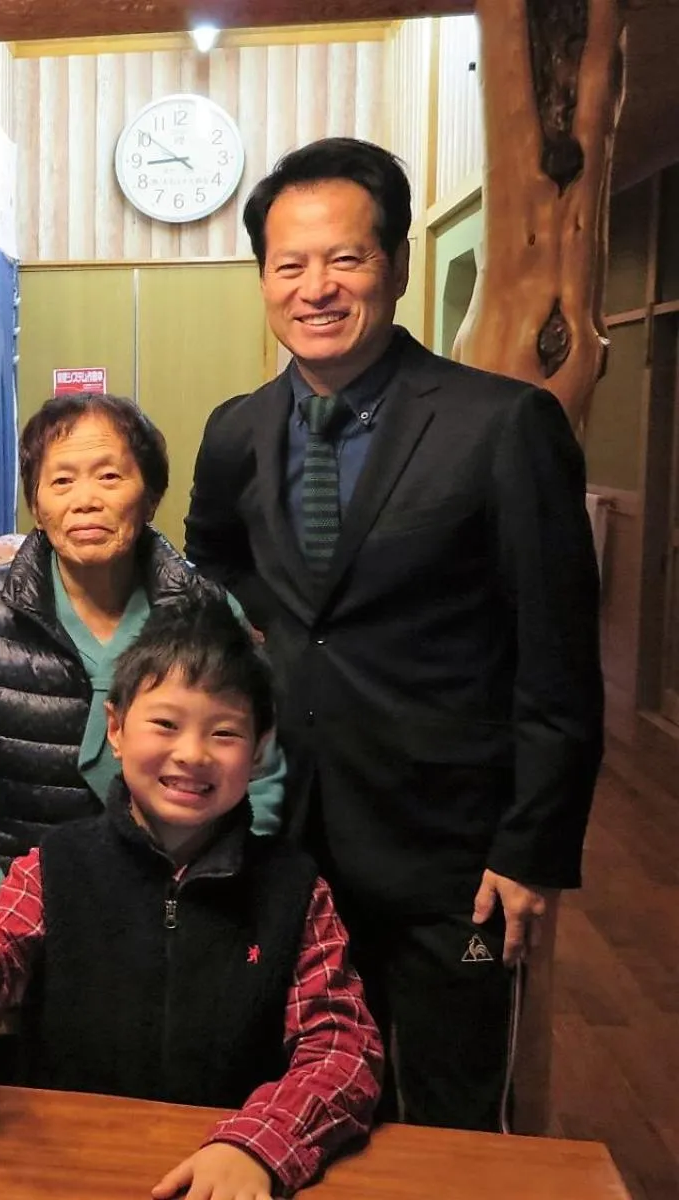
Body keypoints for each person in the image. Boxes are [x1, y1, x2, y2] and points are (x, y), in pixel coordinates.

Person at [184, 137, 603, 1131]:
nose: (315, 288)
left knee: (449, 1110)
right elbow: (215, 567)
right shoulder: (236, 430)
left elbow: (557, 655)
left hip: (448, 850)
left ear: (398, 265)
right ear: (262, 279)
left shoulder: (501, 425)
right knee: (289, 1086)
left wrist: (532, 847)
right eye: (288, 265)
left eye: (346, 258)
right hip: (281, 833)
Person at [0, 586, 381, 1200]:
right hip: (67, 1168)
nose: (191, 754)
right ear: (117, 728)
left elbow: (344, 1050)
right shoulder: (54, 866)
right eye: (165, 723)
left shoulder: (293, 890)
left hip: (225, 1178)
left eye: (224, 733)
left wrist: (258, 1144)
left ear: (260, 749)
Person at [0, 392, 285, 903]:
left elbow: (261, 774)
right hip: (18, 911)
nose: (85, 499)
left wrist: (213, 897)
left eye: (109, 477)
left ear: (151, 496)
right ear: (37, 506)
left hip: (182, 910)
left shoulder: (208, 611)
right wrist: (3, 914)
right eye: (61, 480)